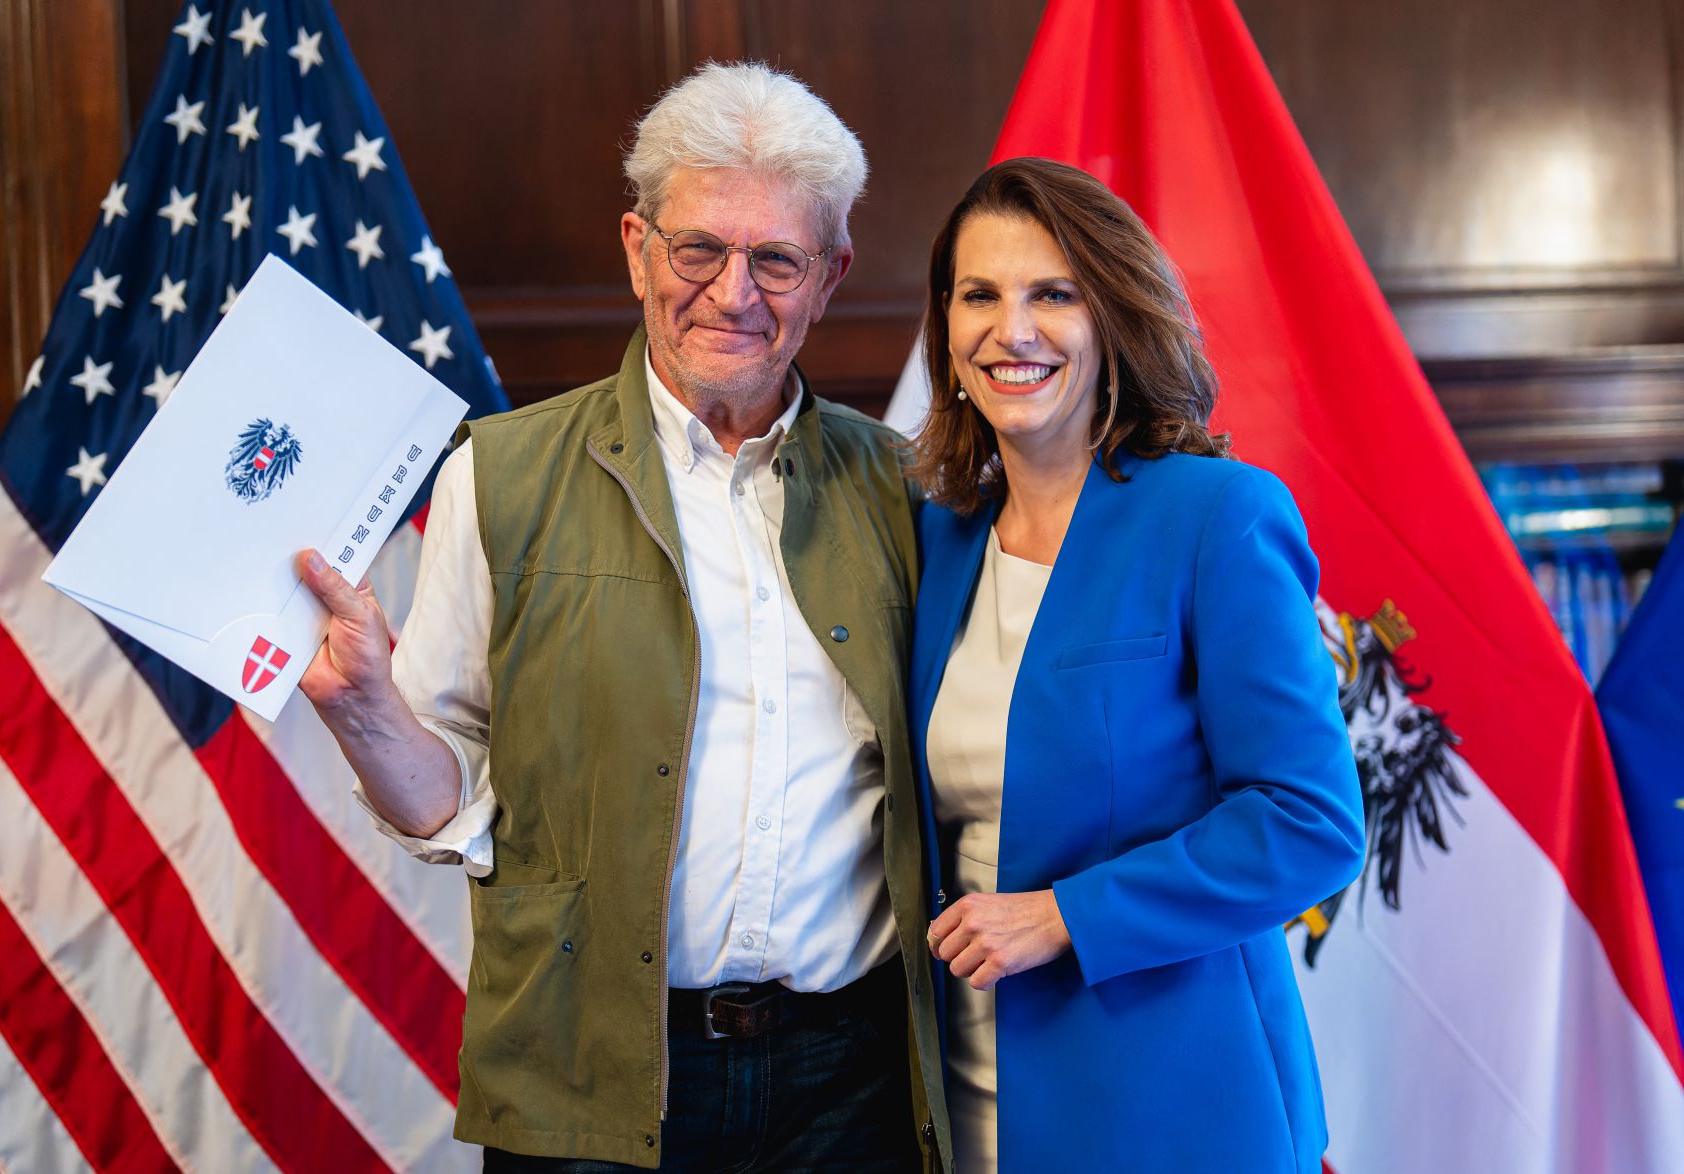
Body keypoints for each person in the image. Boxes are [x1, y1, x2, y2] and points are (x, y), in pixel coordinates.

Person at [295, 63, 951, 1172]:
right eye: (698, 247)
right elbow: (443, 799)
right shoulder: (497, 473)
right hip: (588, 1074)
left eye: (776, 259)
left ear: (830, 275)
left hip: (851, 1083)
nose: (733, 292)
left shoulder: (905, 488)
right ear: (637, 247)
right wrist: (363, 707)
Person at [906, 157, 1366, 1172]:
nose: (1008, 330)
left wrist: (1066, 913)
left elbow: (1311, 821)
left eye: (1051, 295)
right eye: (978, 294)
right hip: (962, 1107)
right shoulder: (935, 538)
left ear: (1111, 315)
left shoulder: (1216, 517)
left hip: (1173, 1103)